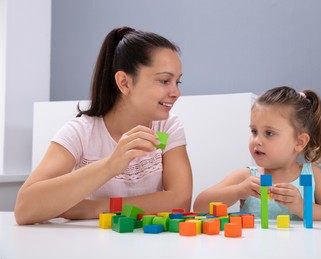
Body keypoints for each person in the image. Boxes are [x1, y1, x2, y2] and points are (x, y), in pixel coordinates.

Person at [14, 26, 193, 225]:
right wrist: (110, 166)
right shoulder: (80, 132)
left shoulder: (167, 127)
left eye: (178, 82)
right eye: (164, 80)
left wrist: (92, 208)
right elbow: (24, 209)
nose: (176, 92)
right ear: (124, 83)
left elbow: (180, 201)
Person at [194, 86, 321, 222]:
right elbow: (199, 207)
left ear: (299, 142)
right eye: (254, 131)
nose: (257, 140)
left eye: (269, 133)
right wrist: (239, 190)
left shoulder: (311, 175)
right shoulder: (247, 177)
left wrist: (302, 207)